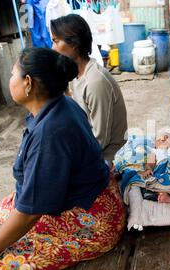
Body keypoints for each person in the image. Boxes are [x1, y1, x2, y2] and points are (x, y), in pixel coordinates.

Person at [0, 47, 126, 270]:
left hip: (92, 226)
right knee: (5, 208)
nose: (9, 80)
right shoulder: (61, 105)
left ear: (28, 83)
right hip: (95, 203)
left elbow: (31, 212)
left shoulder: (50, 132)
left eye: (12, 75)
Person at [50, 14, 128, 164]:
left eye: (56, 41)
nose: (52, 47)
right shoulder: (74, 75)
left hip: (109, 155)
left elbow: (100, 139)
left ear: (73, 44)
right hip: (87, 143)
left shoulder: (95, 81)